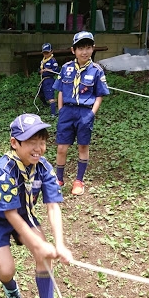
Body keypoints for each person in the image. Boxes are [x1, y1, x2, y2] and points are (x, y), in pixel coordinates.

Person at [0, 113, 74, 298]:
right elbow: (9, 215)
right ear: (14, 143)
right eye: (31, 141)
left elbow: (53, 207)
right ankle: (11, 290)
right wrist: (38, 244)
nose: (38, 147)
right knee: (7, 269)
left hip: (23, 213)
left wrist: (58, 244)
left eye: (42, 141)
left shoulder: (44, 167)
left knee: (45, 257)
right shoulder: (3, 172)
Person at [53, 31, 109, 196]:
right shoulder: (66, 68)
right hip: (67, 112)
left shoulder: (97, 70)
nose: (84, 52)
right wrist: (61, 109)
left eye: (88, 48)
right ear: (73, 50)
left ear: (92, 49)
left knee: (83, 146)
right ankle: (59, 179)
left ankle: (79, 180)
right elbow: (61, 90)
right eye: (80, 48)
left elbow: (99, 95)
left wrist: (92, 114)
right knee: (62, 147)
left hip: (85, 112)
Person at [38, 43, 59, 117]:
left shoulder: (53, 61)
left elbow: (57, 71)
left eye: (47, 52)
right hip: (43, 80)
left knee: (50, 97)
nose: (45, 54)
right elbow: (39, 70)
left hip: (49, 80)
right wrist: (40, 71)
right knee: (41, 94)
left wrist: (48, 70)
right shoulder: (43, 61)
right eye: (44, 53)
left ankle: (53, 113)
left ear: (51, 52)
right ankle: (45, 105)